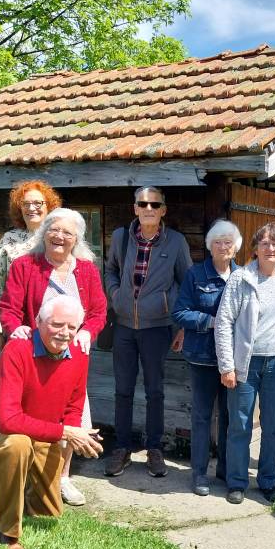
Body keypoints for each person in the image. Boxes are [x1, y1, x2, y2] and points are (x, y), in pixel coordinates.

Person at [0, 295, 103, 549]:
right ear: (39, 322)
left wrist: (74, 436)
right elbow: (8, 421)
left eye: (71, 327)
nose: (64, 333)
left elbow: (74, 407)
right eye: (56, 324)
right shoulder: (17, 350)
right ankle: (7, 534)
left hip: (40, 430)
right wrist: (65, 432)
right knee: (18, 444)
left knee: (47, 514)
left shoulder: (79, 354)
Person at [0, 208, 107, 507]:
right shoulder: (24, 265)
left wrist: (87, 332)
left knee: (72, 414)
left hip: (71, 354)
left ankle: (62, 477)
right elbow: (8, 306)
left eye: (68, 233)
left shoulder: (86, 270)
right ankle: (24, 471)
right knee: (29, 413)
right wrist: (15, 327)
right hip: (33, 354)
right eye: (54, 229)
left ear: (77, 239)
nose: (60, 237)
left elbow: (98, 311)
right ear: (43, 232)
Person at [103, 186, 192, 479]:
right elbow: (111, 270)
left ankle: (154, 449)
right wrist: (116, 295)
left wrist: (178, 325)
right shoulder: (121, 238)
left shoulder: (176, 242)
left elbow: (186, 283)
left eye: (155, 204)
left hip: (157, 329)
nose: (149, 209)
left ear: (163, 210)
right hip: (125, 326)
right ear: (135, 209)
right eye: (143, 204)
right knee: (123, 390)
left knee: (155, 391)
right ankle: (122, 449)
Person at [215, 222, 275, 505]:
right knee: (240, 424)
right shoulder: (241, 279)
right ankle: (236, 482)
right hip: (245, 365)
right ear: (255, 249)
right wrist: (227, 365)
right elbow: (223, 322)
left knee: (273, 426)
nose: (270, 248)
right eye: (264, 243)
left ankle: (268, 481)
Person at [172, 220, 241, 496]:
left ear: (235, 247)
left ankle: (224, 469)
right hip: (202, 356)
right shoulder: (196, 274)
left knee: (228, 416)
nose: (223, 247)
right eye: (218, 242)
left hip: (233, 360)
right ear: (210, 246)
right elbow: (180, 312)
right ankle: (199, 473)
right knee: (201, 416)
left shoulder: (242, 276)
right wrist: (213, 322)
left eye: (228, 242)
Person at [0, 180, 62, 348]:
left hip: (55, 325)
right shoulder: (10, 240)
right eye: (26, 204)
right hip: (15, 325)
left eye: (38, 203)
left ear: (49, 206)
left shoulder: (59, 238)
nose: (31, 208)